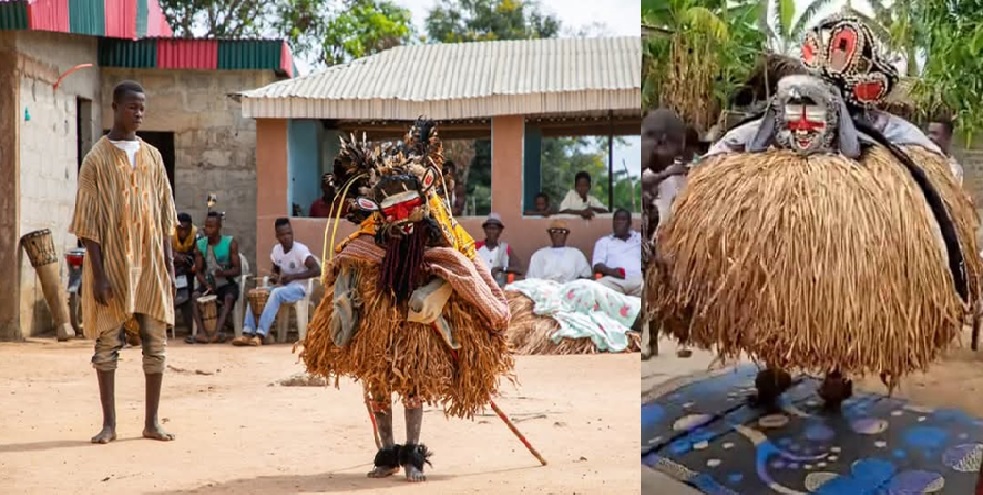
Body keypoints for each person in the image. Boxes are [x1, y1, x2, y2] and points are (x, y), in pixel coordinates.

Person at [302, 120, 511, 482]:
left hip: (419, 315)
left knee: (412, 379)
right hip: (378, 311)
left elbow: (461, 264)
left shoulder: (438, 228)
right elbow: (349, 259)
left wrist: (441, 286)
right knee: (377, 380)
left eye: (408, 209)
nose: (401, 219)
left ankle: (413, 453)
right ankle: (387, 453)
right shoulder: (369, 235)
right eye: (392, 211)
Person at [69, 80, 177, 444]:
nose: (139, 113)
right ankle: (109, 424)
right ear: (115, 107)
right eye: (132, 106)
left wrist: (167, 258)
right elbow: (87, 222)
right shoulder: (96, 159)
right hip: (111, 265)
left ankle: (152, 422)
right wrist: (98, 275)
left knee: (155, 342)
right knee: (107, 344)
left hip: (148, 266)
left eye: (142, 107)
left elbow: (164, 210)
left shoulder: (152, 157)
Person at [233, 218, 320, 347]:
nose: (287, 237)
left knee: (276, 293)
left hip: (300, 288)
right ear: (277, 236)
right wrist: (274, 277)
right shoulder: (277, 250)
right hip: (285, 288)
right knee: (256, 293)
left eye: (289, 233)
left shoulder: (300, 250)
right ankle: (247, 332)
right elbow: (276, 271)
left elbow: (317, 270)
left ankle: (261, 334)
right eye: (283, 235)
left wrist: (292, 277)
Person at [187, 212, 241, 344]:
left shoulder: (230, 243)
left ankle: (217, 332)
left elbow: (237, 270)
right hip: (209, 283)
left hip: (227, 283)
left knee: (229, 298)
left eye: (212, 226)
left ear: (219, 227)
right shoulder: (200, 244)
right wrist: (206, 285)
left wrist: (223, 273)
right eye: (206, 226)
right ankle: (202, 333)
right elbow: (198, 272)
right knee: (194, 297)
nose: (208, 229)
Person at [592, 209, 643, 297]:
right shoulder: (604, 242)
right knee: (593, 288)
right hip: (614, 281)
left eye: (623, 220)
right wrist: (611, 271)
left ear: (630, 223)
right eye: (616, 220)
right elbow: (597, 266)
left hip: (638, 281)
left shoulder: (640, 238)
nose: (619, 223)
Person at [526, 220, 591, 283]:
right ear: (550, 234)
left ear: (566, 234)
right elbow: (532, 280)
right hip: (545, 289)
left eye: (561, 232)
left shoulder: (576, 254)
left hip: (569, 289)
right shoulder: (539, 255)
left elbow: (585, 275)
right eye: (554, 231)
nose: (557, 235)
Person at [475, 213, 523, 287]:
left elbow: (519, 270)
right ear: (485, 230)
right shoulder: (476, 247)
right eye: (489, 228)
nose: (492, 232)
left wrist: (501, 268)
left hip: (499, 287)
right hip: (479, 286)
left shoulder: (505, 248)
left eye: (495, 229)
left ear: (500, 231)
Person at [173, 213, 197, 332]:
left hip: (188, 272)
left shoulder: (196, 237)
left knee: (188, 297)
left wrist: (186, 260)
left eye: (185, 229)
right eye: (180, 228)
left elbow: (197, 256)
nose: (182, 232)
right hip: (173, 270)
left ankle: (191, 328)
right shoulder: (170, 235)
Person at [927, 117, 964, 186]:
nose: (929, 136)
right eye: (929, 133)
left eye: (935, 133)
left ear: (947, 137)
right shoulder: (921, 157)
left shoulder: (954, 169)